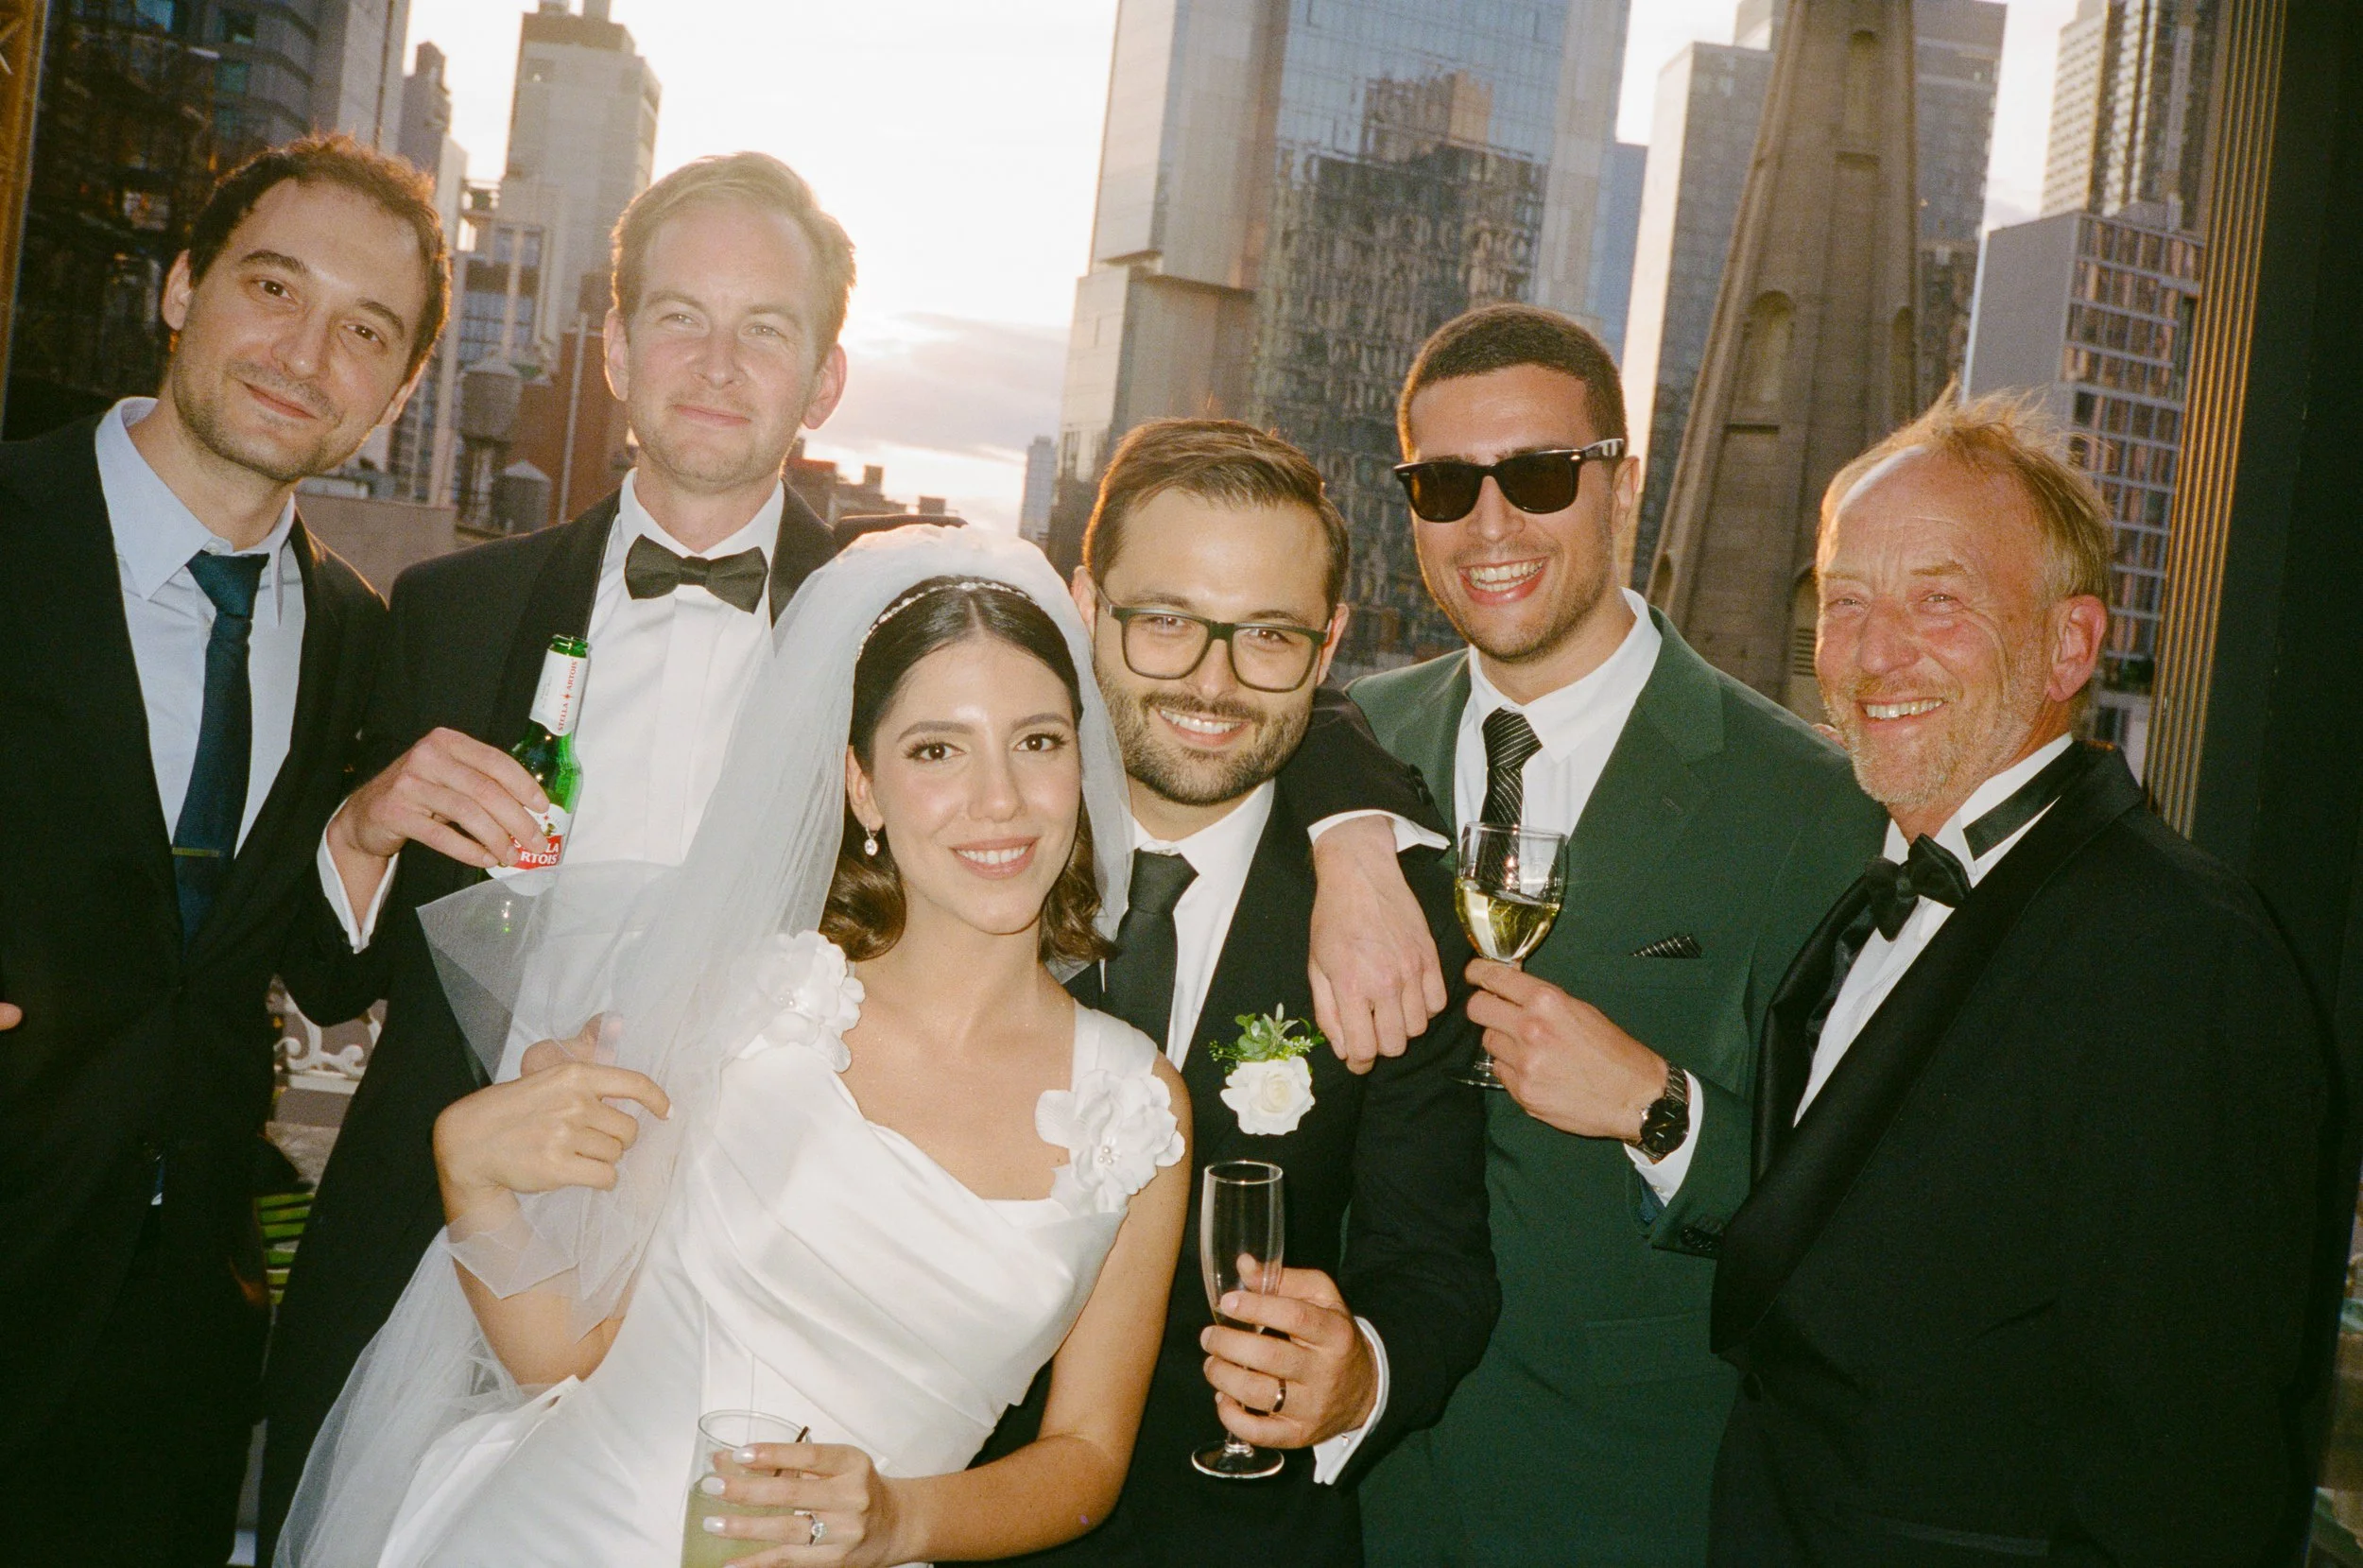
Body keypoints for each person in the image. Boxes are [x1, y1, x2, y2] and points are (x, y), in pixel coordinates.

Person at [260, 151, 1450, 1552]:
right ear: (614, 344)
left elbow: (1216, 683)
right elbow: (317, 970)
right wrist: (357, 837)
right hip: (470, 1296)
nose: (715, 364)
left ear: (825, 378)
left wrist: (1360, 825)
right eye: (679, 317)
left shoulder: (885, 618)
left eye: (766, 327)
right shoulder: (447, 612)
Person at [279, 527, 1199, 1565]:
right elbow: (563, 1355)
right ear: (861, 788)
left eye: (1037, 742)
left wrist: (904, 1519)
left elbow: (1085, 1456)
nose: (1001, 800)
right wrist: (474, 1186)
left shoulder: (1135, 1107)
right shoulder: (747, 1006)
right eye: (936, 750)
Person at [1705, 394, 2329, 1563]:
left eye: (1937, 602)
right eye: (1847, 604)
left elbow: (2190, 1480)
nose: (1874, 653)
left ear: (2070, 645)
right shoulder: (1875, 883)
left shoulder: (2177, 954)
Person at [1348, 304, 1885, 1563]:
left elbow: (1872, 1206)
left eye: (1538, 475)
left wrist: (1660, 1106)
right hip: (1360, 1488)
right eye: (1443, 485)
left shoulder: (1812, 803)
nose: (1490, 527)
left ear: (1622, 483)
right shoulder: (1354, 745)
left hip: (1625, 1493)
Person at [0, 136, 444, 1564]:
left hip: (179, 1345)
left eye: (365, 330)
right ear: (181, 287)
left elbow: (308, 962)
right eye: (272, 285)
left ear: (399, 389)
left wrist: (363, 831)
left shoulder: (365, 640)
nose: (306, 351)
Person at [965, 421, 1497, 1568]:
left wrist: (1357, 1372)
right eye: (1164, 623)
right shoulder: (955, 837)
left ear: (1329, 642)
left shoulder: (1398, 916)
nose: (1211, 682)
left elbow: (1436, 1263)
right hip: (925, 1498)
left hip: (1225, 1533)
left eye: (1266, 637)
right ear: (1083, 603)